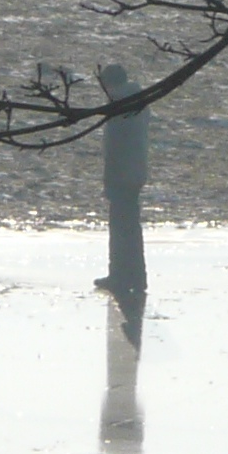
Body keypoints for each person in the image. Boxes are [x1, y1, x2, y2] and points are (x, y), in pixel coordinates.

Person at [94, 64, 149, 295]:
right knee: (130, 227)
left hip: (122, 173)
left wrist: (108, 179)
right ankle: (136, 276)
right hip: (136, 171)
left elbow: (115, 148)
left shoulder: (118, 106)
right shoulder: (138, 100)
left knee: (120, 227)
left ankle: (120, 275)